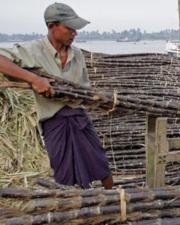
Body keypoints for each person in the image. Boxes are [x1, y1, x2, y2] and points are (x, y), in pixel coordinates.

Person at [0, 3, 113, 189]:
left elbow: (84, 89)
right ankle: (70, 209)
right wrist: (34, 79)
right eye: (70, 28)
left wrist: (96, 99)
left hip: (79, 118)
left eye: (76, 29)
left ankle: (115, 200)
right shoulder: (33, 50)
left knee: (100, 164)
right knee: (64, 175)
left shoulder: (77, 54)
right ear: (52, 26)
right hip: (55, 122)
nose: (75, 33)